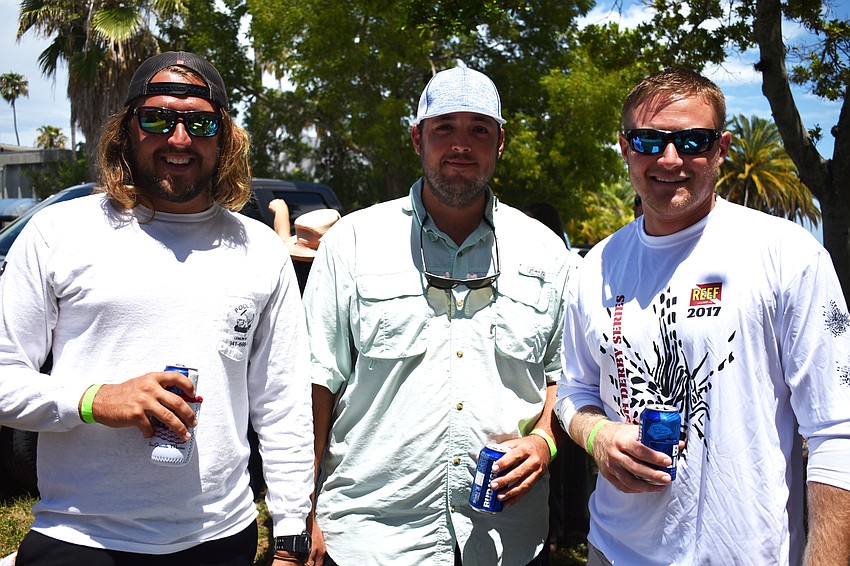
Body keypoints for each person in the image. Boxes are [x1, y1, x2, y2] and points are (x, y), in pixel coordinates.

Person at [0, 51, 314, 566]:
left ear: (226, 137)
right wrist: (95, 399)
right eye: (157, 118)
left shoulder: (260, 251)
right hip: (83, 536)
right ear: (126, 130)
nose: (179, 137)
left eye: (200, 122)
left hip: (220, 538)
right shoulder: (60, 232)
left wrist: (290, 531)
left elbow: (282, 405)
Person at [555, 67, 850, 565]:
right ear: (626, 149)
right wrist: (599, 435)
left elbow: (837, 432)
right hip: (614, 550)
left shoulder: (787, 254)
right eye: (649, 141)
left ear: (722, 148)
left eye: (693, 140)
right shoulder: (595, 267)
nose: (670, 158)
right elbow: (573, 392)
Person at [304, 66, 580, 565]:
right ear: (417, 138)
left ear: (501, 142)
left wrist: (543, 442)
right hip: (372, 537)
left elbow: (567, 379)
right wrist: (300, 513)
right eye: (443, 128)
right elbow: (314, 385)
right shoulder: (351, 243)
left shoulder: (548, 254)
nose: (461, 144)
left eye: (479, 129)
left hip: (507, 540)